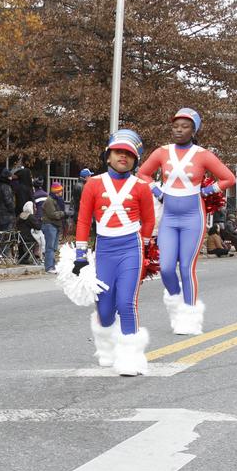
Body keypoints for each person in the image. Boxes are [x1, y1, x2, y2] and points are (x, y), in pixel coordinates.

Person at [137, 108, 235, 335]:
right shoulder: (162, 152)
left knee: (186, 267)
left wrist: (208, 190)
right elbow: (143, 173)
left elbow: (229, 178)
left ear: (194, 130)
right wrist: (156, 191)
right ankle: (176, 303)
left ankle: (189, 317)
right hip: (169, 217)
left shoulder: (203, 154)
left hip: (193, 216)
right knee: (167, 267)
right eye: (176, 126)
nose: (179, 130)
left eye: (185, 126)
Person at [74, 129, 155, 376]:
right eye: (119, 152)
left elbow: (149, 221)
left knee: (126, 303)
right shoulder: (93, 184)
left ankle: (131, 357)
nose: (123, 157)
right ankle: (106, 345)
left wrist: (142, 246)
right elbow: (83, 220)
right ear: (108, 156)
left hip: (131, 247)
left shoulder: (141, 187)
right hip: (105, 249)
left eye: (129, 154)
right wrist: (80, 254)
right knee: (106, 309)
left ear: (136, 160)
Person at [42, 181, 66, 273]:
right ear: (56, 191)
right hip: (49, 225)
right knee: (50, 247)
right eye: (60, 191)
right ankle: (49, 267)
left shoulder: (57, 200)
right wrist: (63, 213)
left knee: (54, 247)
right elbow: (52, 214)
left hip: (55, 225)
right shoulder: (49, 200)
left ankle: (52, 265)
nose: (61, 193)